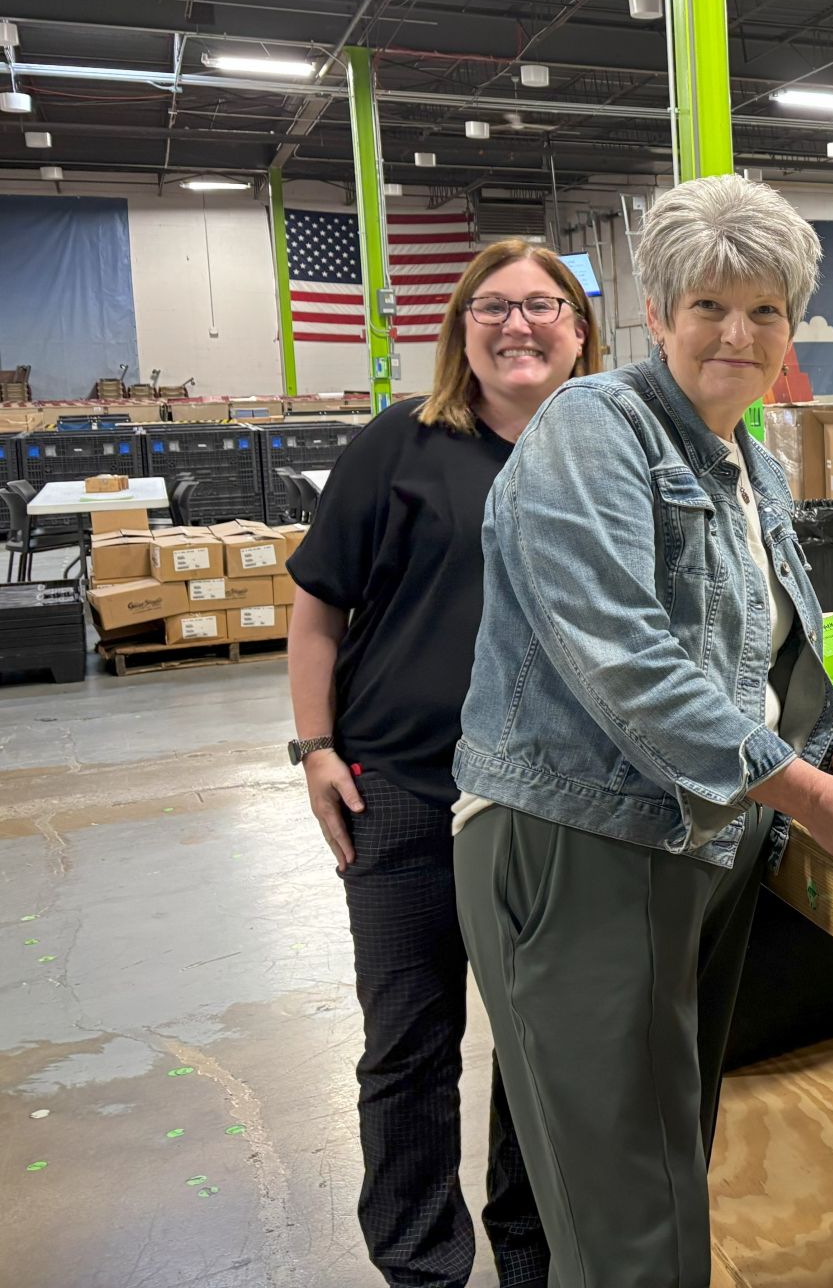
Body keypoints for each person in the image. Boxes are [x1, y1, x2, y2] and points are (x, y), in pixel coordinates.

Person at [449, 173, 833, 1288]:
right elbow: (620, 658)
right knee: (629, 1218)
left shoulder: (749, 461)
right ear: (657, 316)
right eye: (709, 308)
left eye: (765, 310)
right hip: (584, 841)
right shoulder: (596, 428)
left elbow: (764, 664)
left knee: (667, 1166)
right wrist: (812, 794)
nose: (738, 333)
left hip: (703, 839)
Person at [286, 238, 602, 1287]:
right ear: (460, 328)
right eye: (493, 306)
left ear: (579, 328)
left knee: (538, 1049)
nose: (519, 325)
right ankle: (423, 1265)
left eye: (543, 304)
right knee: (410, 1046)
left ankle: (531, 1254)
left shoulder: (604, 454)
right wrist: (316, 747)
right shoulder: (399, 447)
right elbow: (319, 605)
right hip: (406, 793)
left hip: (551, 804)